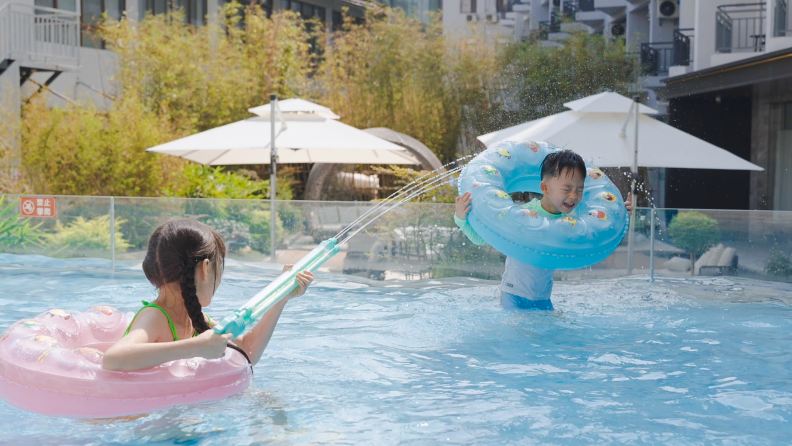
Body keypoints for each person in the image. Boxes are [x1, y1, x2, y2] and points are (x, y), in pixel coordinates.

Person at [102, 218, 313, 371]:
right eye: (218, 268)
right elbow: (113, 359)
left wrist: (280, 298)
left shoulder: (195, 318)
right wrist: (195, 347)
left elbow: (247, 351)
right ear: (204, 269)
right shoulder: (155, 317)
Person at [454, 150, 632, 311]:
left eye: (580, 190)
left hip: (542, 298)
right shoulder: (523, 215)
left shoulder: (572, 223)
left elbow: (599, 227)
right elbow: (480, 238)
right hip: (513, 295)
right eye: (567, 189)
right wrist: (461, 218)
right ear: (545, 188)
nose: (574, 196)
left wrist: (620, 213)